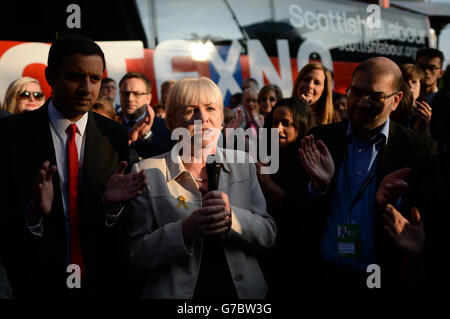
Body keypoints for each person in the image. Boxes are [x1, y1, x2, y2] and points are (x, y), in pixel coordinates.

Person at [0, 35, 146, 298]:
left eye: (94, 78)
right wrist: (33, 215)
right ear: (51, 76)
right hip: (34, 282)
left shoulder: (112, 134)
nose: (86, 89)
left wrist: (112, 209)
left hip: (101, 282)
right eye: (75, 77)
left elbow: (122, 228)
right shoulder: (11, 135)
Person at [283, 57, 443, 296]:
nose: (362, 103)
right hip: (323, 278)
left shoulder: (420, 150)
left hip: (384, 280)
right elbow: (290, 211)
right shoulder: (320, 139)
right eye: (356, 92)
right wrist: (318, 188)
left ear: (396, 100)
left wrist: (393, 203)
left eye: (375, 96)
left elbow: (430, 221)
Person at [125, 77, 276, 299]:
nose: (202, 118)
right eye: (190, 110)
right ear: (172, 122)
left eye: (210, 108)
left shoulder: (244, 164)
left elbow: (268, 234)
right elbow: (136, 252)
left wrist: (233, 218)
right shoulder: (145, 171)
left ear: (221, 119)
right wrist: (184, 231)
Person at [118, 71, 174, 158]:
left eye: (137, 94)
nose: (130, 99)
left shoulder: (166, 127)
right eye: (125, 93)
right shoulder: (108, 124)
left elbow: (168, 158)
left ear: (148, 98)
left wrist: (146, 136)